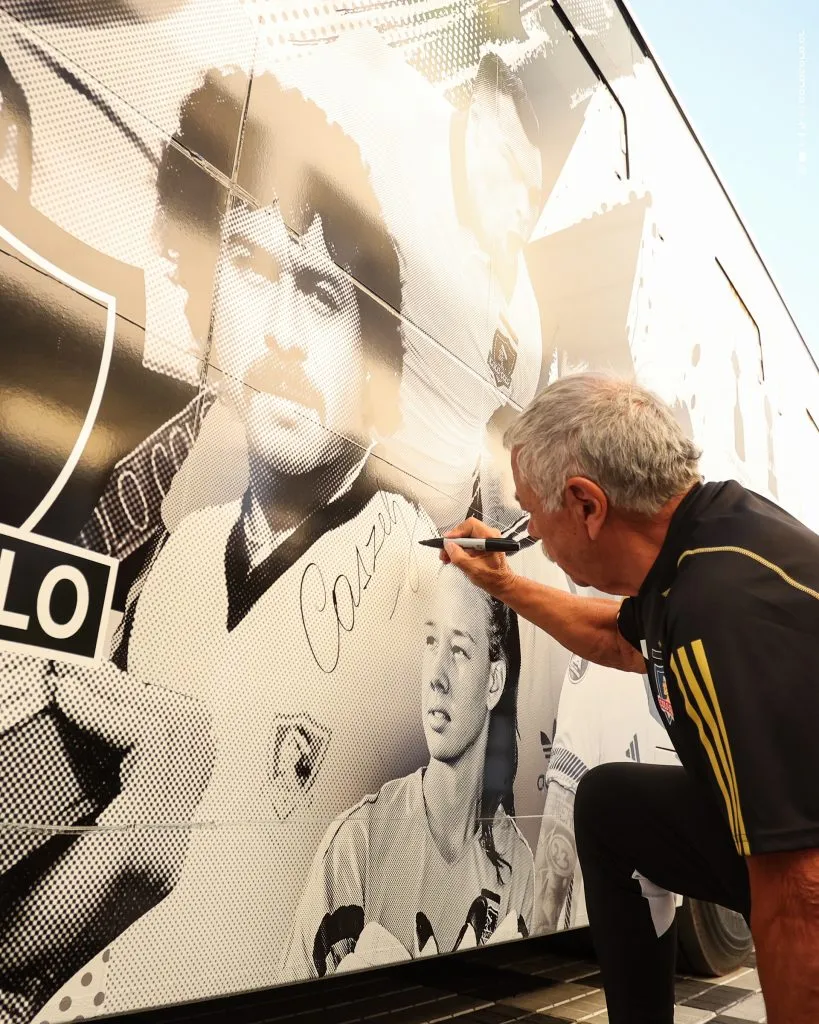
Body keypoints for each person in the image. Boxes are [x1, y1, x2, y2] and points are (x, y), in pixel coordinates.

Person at [45, 70, 438, 1013]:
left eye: (319, 294)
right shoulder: (182, 553)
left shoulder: (410, 567)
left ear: (377, 355)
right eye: (253, 275)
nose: (282, 336)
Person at [441, 371, 819, 1024]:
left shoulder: (718, 609)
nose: (530, 533)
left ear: (586, 505)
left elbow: (798, 896)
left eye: (533, 513)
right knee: (613, 805)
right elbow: (619, 639)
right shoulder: (703, 540)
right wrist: (502, 584)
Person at [280, 565, 533, 980]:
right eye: (431, 642)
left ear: (494, 681)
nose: (436, 677)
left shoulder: (514, 863)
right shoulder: (358, 842)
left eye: (459, 650)